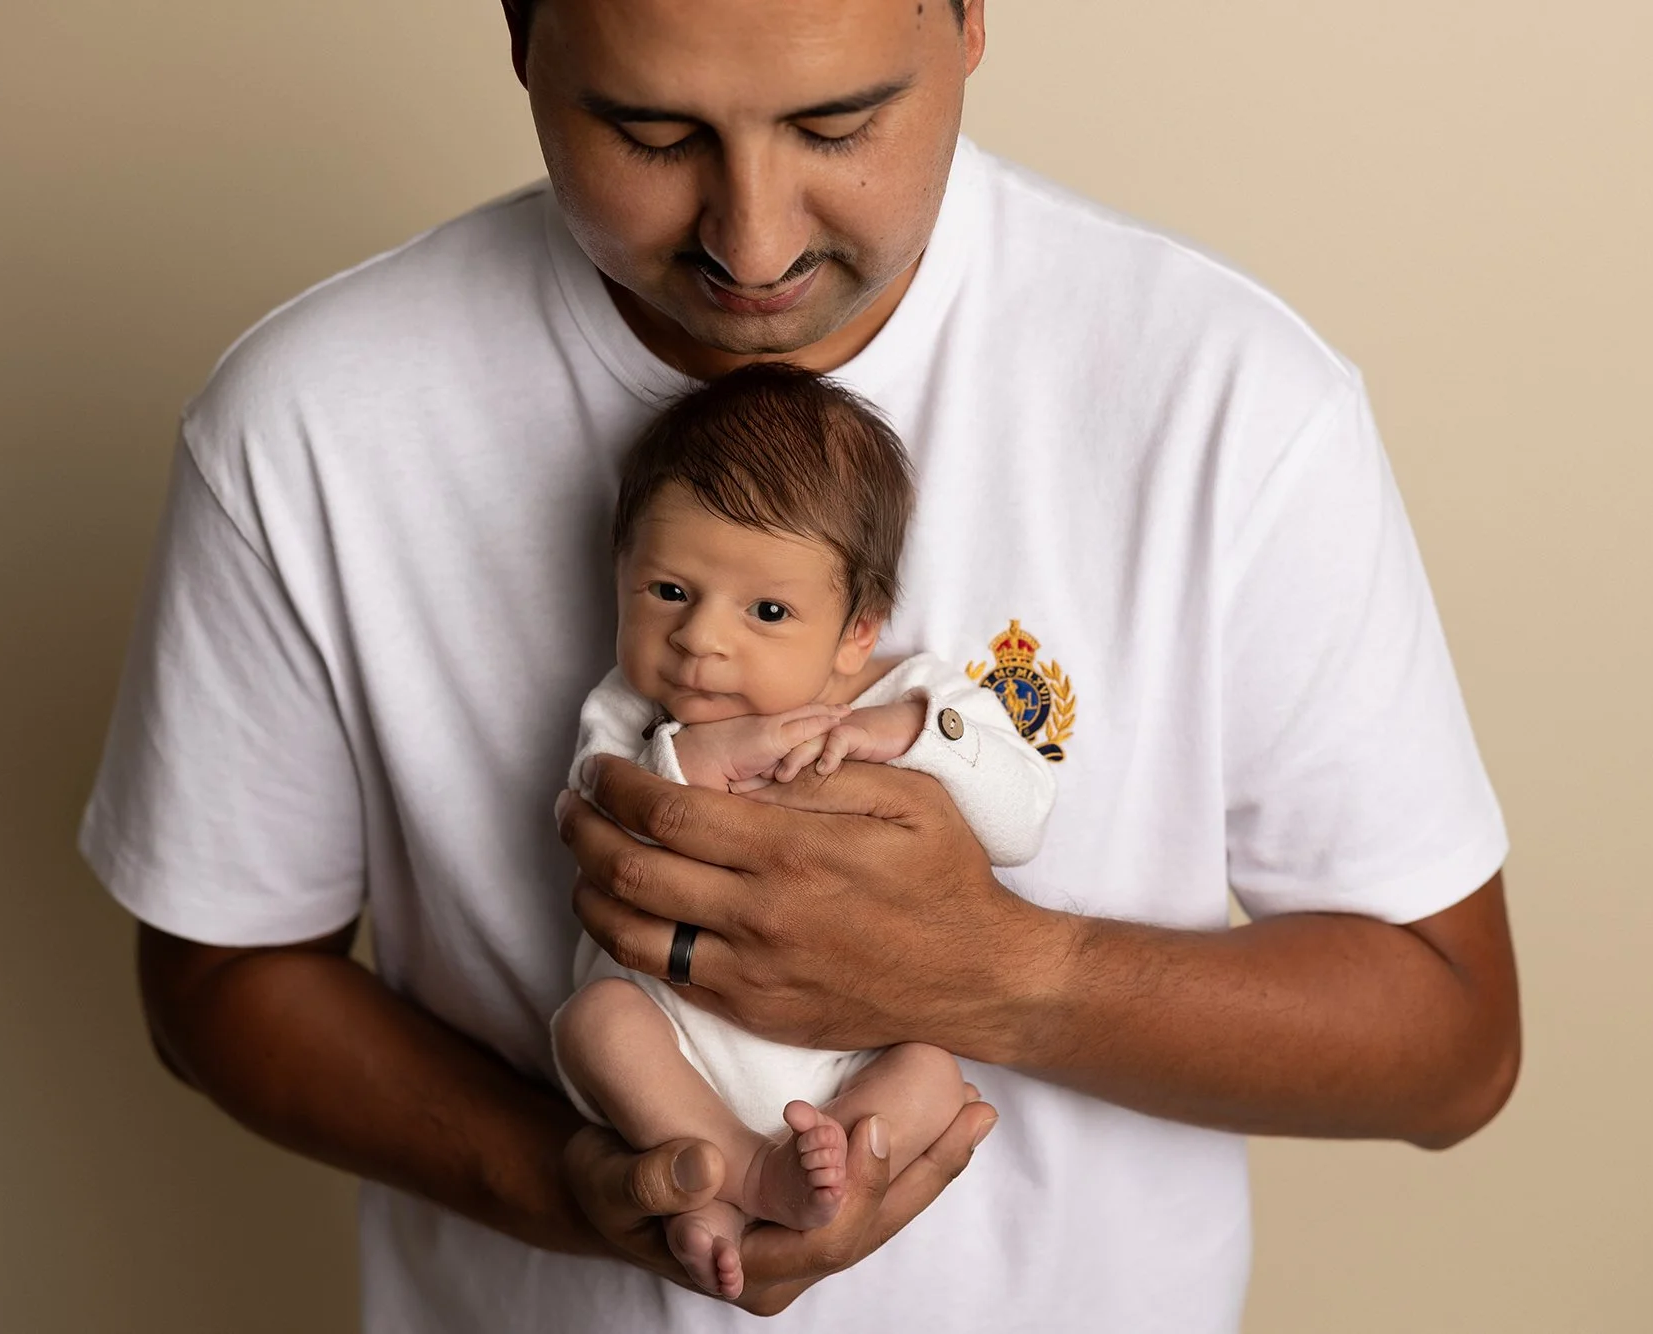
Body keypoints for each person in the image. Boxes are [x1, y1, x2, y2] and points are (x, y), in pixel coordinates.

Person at [83, 0, 1522, 1328]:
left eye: (838, 126)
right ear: (520, 34)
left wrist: (1002, 975)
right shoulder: (310, 424)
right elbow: (215, 984)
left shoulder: (1225, 401)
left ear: (967, 21)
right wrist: (581, 1188)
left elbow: (1452, 1041)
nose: (754, 245)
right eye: (650, 134)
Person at [550, 364, 1055, 1300]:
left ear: (857, 633)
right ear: (619, 573)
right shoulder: (630, 709)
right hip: (675, 1037)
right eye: (667, 590)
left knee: (934, 1076)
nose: (702, 639)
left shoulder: (912, 696)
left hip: (847, 1057)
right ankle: (728, 1174)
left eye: (768, 612)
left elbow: (1021, 818)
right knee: (593, 1023)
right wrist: (707, 756)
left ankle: (809, 1185)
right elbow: (596, 802)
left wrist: (896, 733)